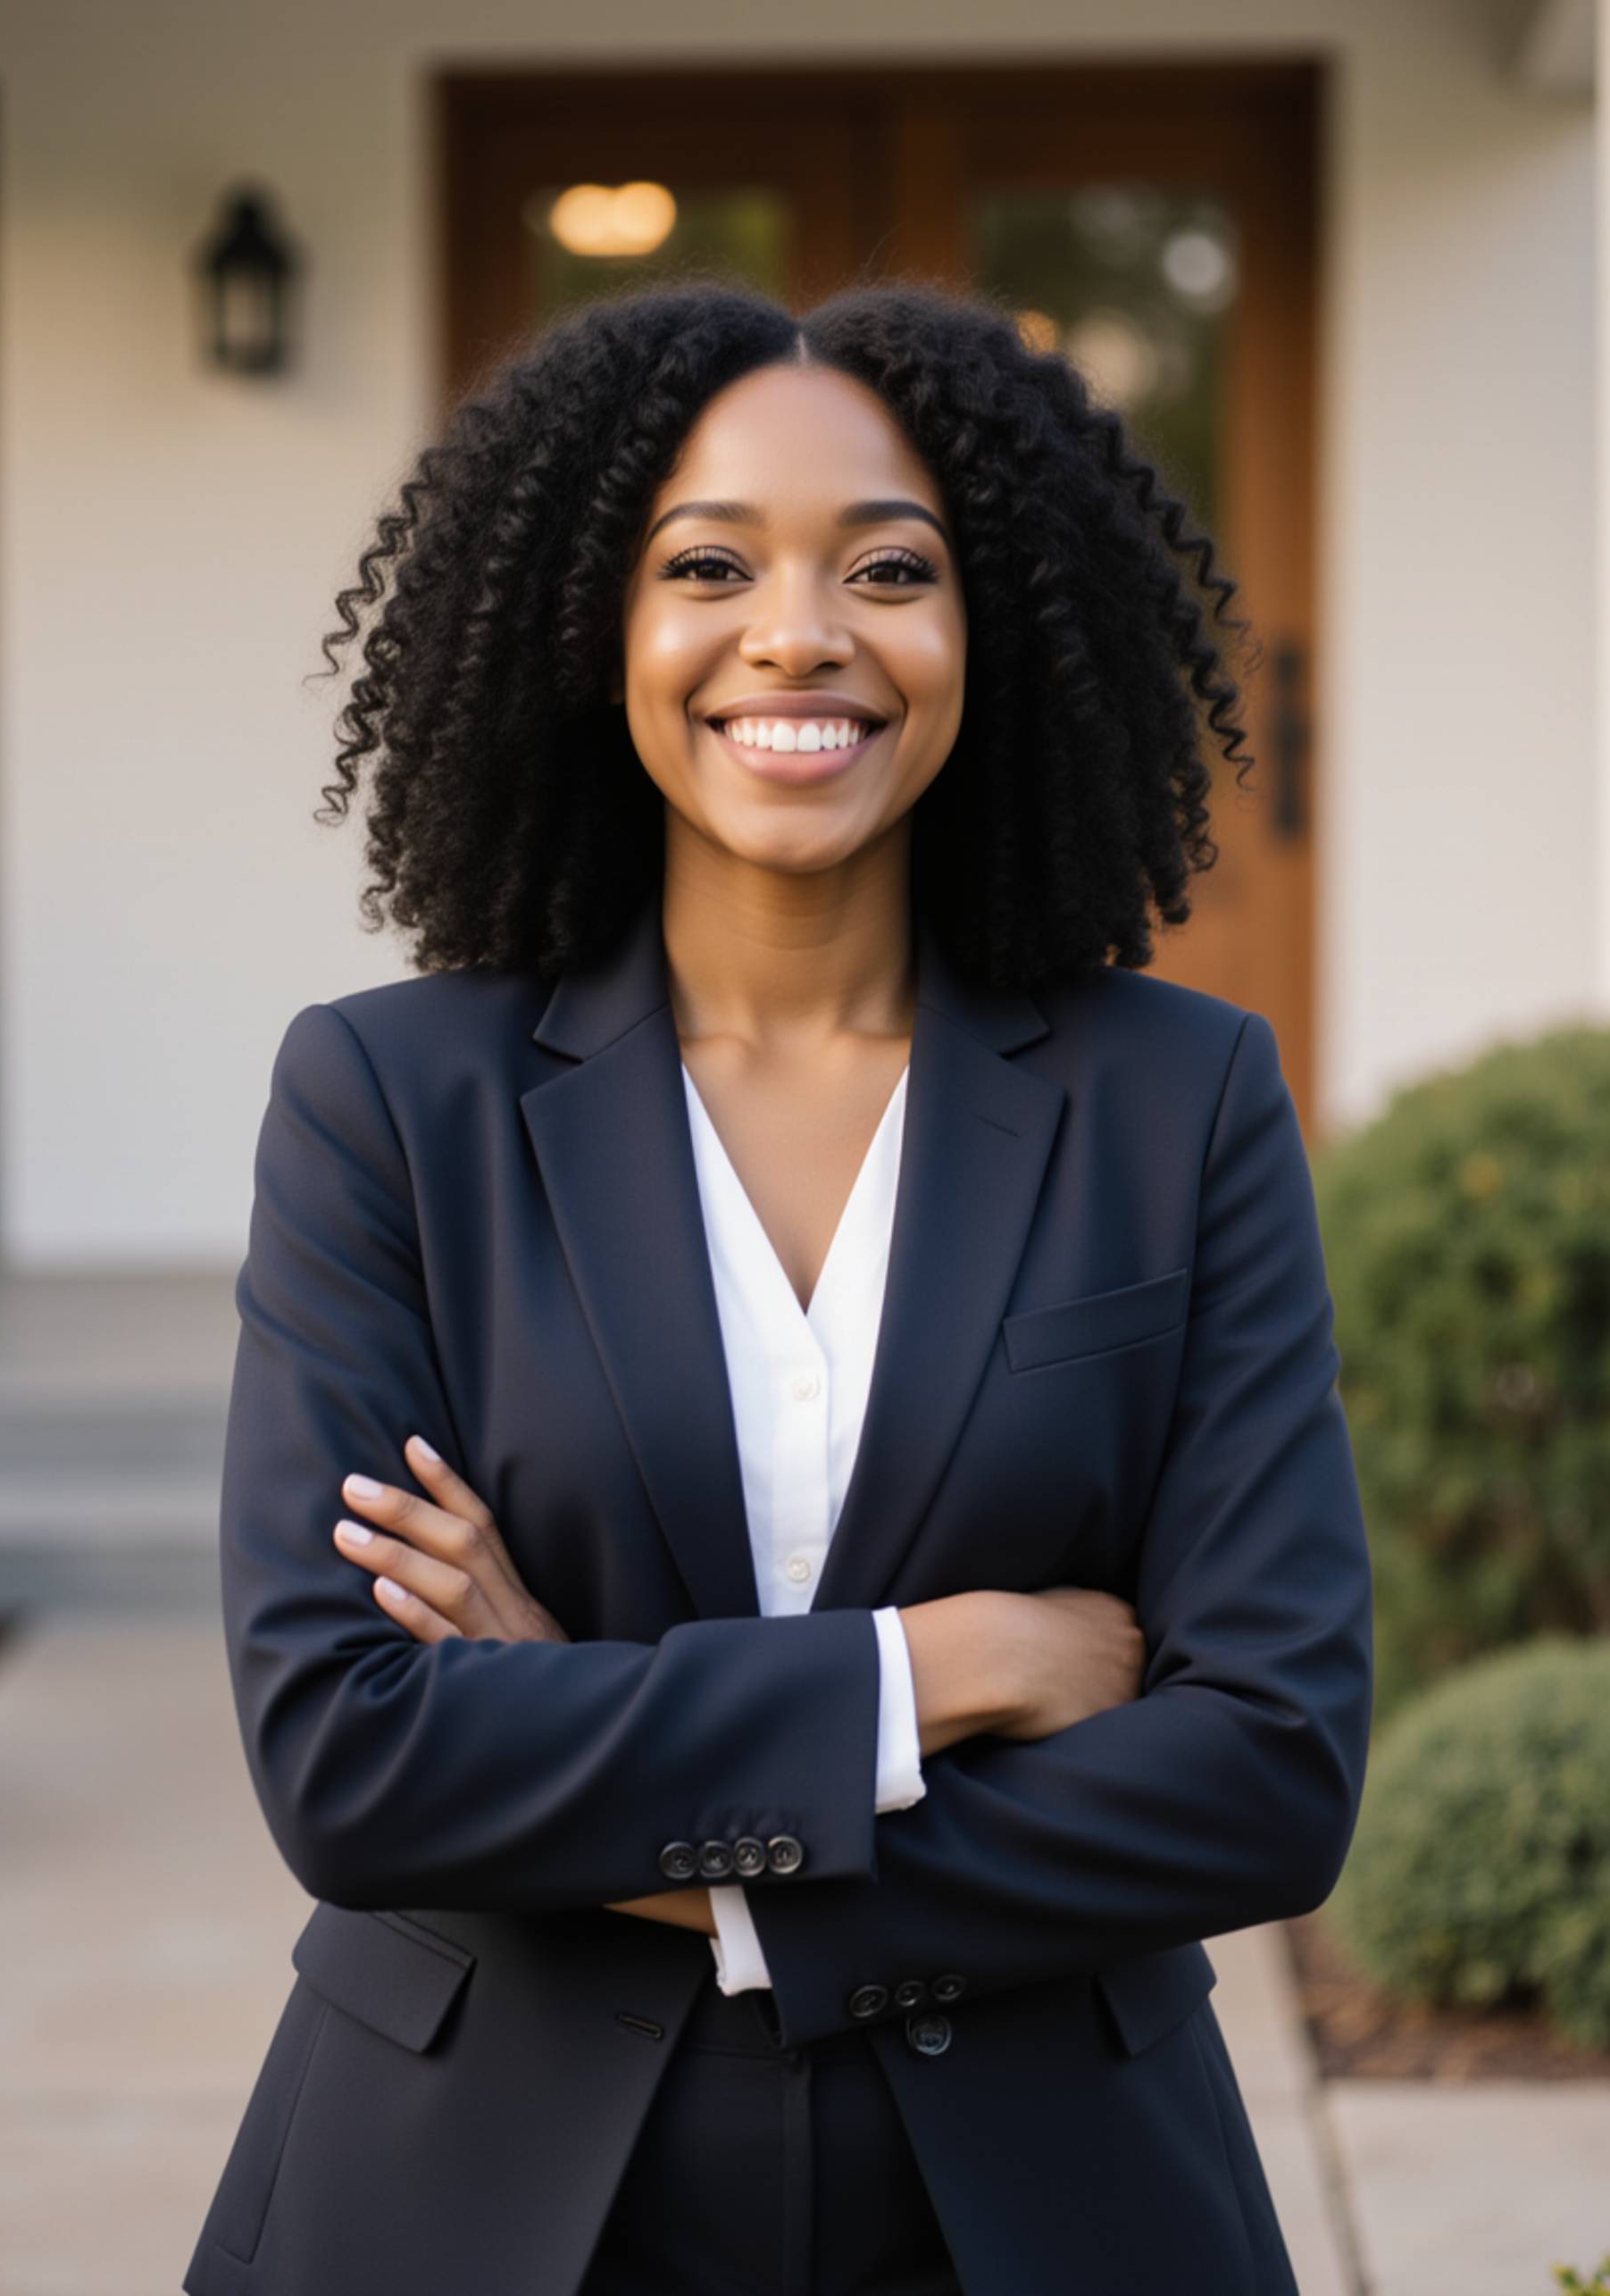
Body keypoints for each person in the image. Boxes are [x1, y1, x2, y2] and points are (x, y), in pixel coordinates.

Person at [185, 277, 1373, 2296]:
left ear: (992, 626)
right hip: (473, 2195)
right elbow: (355, 1758)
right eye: (708, 563)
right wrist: (952, 1666)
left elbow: (1265, 1769)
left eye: (888, 566)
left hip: (1047, 2202)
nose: (799, 630)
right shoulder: (392, 1102)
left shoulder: (1182, 1099)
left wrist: (602, 1766)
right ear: (596, 627)